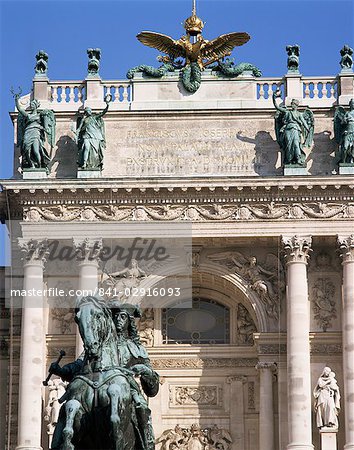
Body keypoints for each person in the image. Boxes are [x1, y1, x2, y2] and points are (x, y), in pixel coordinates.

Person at [49, 301, 159, 450]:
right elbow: (79, 364)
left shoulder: (135, 348)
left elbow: (152, 390)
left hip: (127, 389)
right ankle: (58, 444)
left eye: (122, 317)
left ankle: (147, 443)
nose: (118, 320)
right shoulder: (97, 347)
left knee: (141, 406)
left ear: (129, 322)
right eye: (116, 317)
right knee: (68, 406)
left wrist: (145, 371)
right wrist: (62, 371)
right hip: (92, 381)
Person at [14, 94, 55, 170]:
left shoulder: (40, 115)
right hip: (28, 132)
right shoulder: (28, 116)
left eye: (33, 104)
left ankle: (39, 165)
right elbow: (20, 109)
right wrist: (16, 100)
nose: (31, 105)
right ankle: (31, 165)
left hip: (36, 133)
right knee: (27, 150)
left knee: (36, 150)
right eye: (31, 104)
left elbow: (45, 127)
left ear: (36, 106)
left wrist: (45, 129)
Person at [273, 89, 314, 165]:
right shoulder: (287, 112)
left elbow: (304, 123)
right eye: (292, 104)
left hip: (296, 130)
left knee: (296, 144)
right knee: (288, 146)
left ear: (296, 105)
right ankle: (289, 159)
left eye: (294, 104)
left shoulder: (299, 114)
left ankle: (298, 159)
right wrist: (273, 97)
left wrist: (308, 129)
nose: (292, 105)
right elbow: (277, 107)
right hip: (287, 130)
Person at [76, 94, 111, 169]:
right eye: (87, 111)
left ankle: (95, 163)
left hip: (95, 136)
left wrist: (107, 104)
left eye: (89, 110)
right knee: (86, 147)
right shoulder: (84, 119)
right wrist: (77, 132)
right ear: (85, 112)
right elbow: (79, 128)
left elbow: (103, 112)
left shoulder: (95, 117)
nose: (88, 111)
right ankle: (84, 163)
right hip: (87, 136)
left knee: (96, 151)